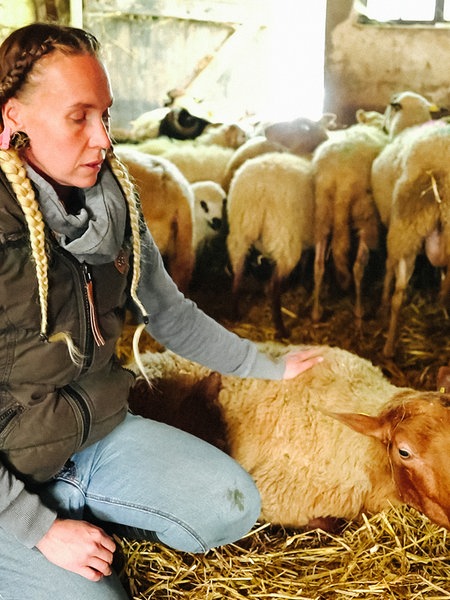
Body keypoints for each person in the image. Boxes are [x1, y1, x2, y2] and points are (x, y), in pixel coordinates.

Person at [0, 22, 323, 599]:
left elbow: (169, 314)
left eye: (106, 114)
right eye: (79, 117)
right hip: (7, 469)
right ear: (12, 117)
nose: (103, 138)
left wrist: (267, 364)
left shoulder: (112, 203)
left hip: (88, 438)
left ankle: (86, 507)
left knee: (231, 505)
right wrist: (39, 528)